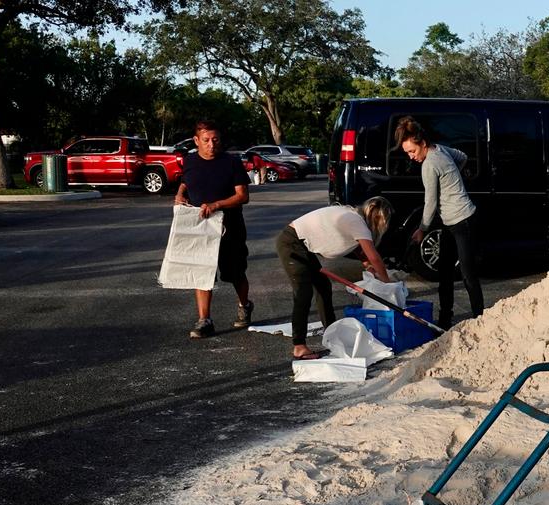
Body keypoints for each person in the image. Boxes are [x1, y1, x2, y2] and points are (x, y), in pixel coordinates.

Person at [275, 198, 394, 359]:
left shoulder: (354, 217)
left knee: (323, 287)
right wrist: (386, 283)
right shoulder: (357, 222)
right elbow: (374, 257)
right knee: (303, 292)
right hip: (292, 242)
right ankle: (299, 346)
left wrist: (369, 268)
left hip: (300, 243)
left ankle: (332, 334)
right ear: (379, 219)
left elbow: (362, 253)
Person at [394, 117, 483, 330]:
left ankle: (480, 318)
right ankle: (444, 320)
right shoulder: (440, 150)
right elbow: (462, 157)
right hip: (450, 221)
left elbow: (430, 202)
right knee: (444, 272)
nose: (411, 156)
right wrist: (453, 178)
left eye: (412, 151)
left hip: (463, 220)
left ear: (422, 143)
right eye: (407, 152)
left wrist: (422, 229)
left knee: (468, 273)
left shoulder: (430, 164)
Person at [172, 120, 253, 339]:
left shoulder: (232, 162)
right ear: (196, 141)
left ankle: (244, 305)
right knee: (202, 273)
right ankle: (204, 320)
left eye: (215, 140)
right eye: (206, 140)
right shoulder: (189, 161)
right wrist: (180, 195)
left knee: (235, 272)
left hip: (230, 226)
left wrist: (217, 205)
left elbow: (242, 196)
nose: (211, 145)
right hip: (200, 226)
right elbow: (186, 181)